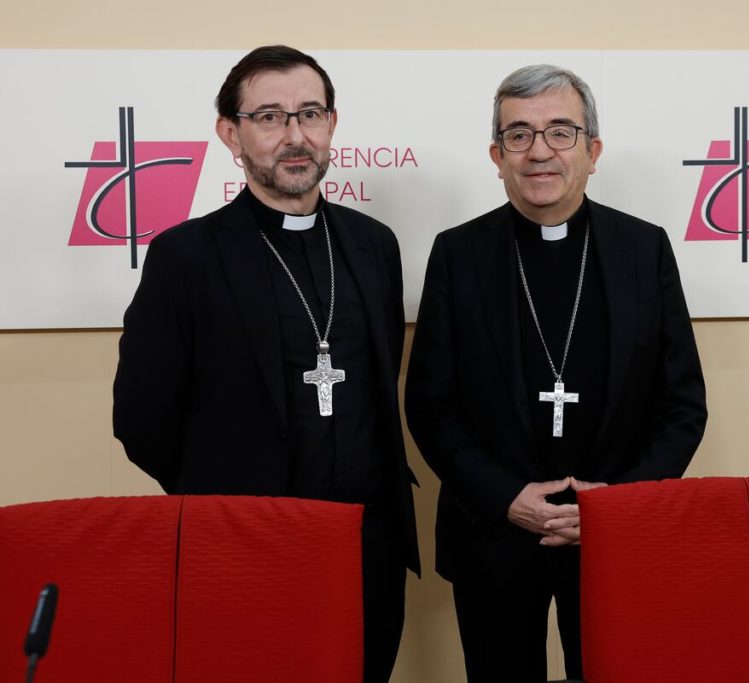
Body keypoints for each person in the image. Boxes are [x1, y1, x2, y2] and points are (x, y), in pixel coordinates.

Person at [113, 45, 418, 683]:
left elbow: (381, 378)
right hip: (246, 545)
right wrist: (220, 504)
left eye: (310, 114)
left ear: (332, 123)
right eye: (270, 117)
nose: (295, 136)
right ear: (232, 133)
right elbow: (142, 418)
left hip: (369, 543)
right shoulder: (186, 257)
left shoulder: (373, 245)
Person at [404, 64, 708, 682]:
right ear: (497, 156)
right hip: (492, 532)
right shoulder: (458, 254)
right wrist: (504, 497)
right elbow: (430, 406)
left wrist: (614, 505)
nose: (539, 151)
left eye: (560, 132)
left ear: (592, 151)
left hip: (612, 536)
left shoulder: (642, 249)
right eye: (518, 134)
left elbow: (682, 405)